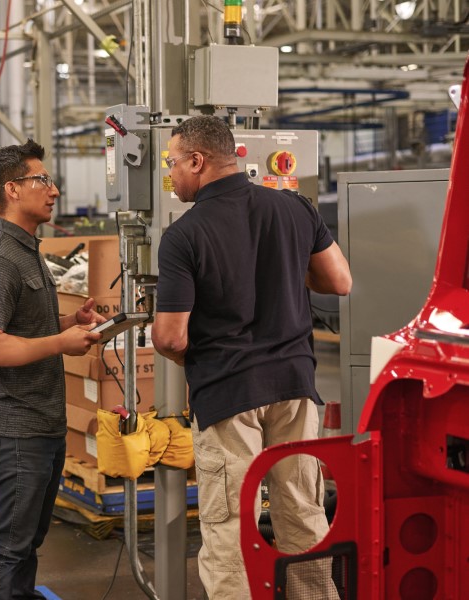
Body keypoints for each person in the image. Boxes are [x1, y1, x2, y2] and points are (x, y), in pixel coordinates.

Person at [151, 116, 352, 600]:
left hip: (228, 394)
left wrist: (185, 354)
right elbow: (339, 281)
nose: (170, 175)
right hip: (295, 387)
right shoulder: (294, 207)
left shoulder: (184, 235)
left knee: (229, 523)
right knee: (303, 511)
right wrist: (284, 269)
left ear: (197, 162)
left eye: (172, 163)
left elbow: (171, 338)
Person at [0, 138, 105, 600]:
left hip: (43, 424)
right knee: (9, 547)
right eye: (41, 180)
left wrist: (69, 324)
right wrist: (60, 342)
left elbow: (21, 328)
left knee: (26, 545)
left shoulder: (29, 251)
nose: (54, 189)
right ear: (11, 189)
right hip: (16, 430)